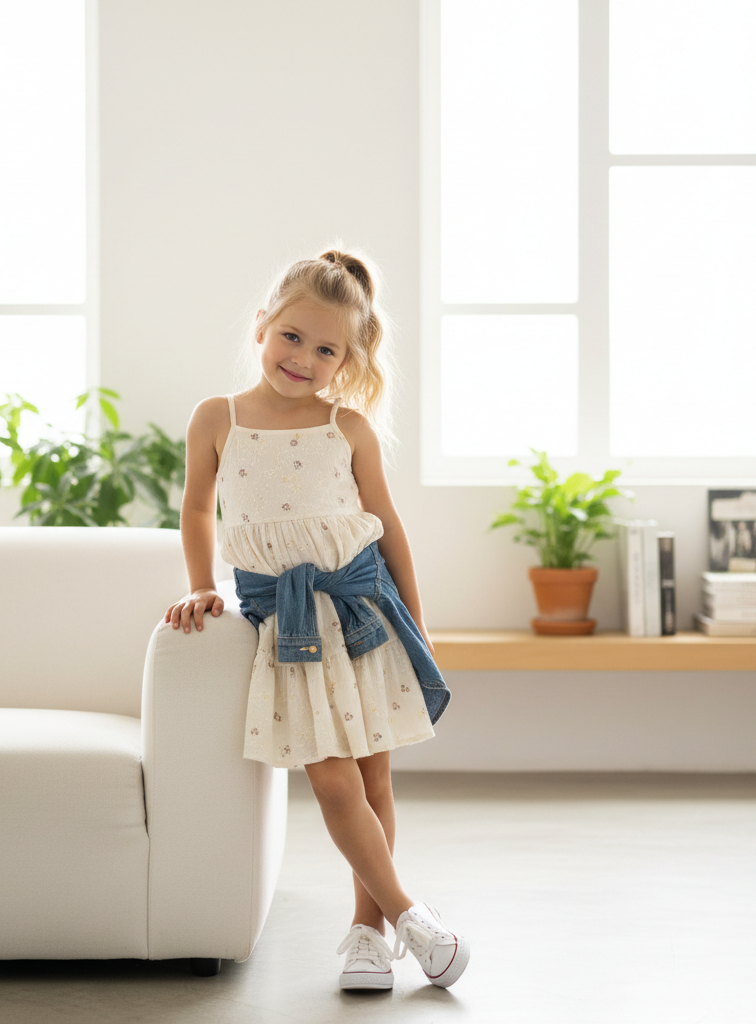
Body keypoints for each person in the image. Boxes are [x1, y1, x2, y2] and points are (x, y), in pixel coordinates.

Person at [164, 249, 466, 991]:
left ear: (346, 361)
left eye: (326, 349)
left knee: (375, 780)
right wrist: (203, 585)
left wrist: (416, 625)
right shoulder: (217, 418)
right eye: (291, 336)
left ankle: (368, 934)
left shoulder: (348, 427)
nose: (302, 357)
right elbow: (199, 508)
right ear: (263, 324)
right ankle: (411, 915)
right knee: (332, 781)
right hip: (290, 627)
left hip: (365, 614)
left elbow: (387, 526)